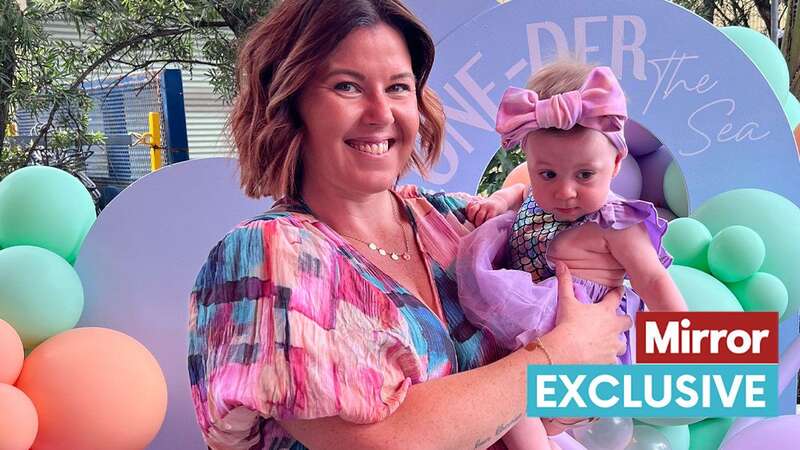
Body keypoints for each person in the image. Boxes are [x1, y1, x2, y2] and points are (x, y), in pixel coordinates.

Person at [187, 2, 631, 449]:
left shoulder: (462, 224)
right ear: (289, 103)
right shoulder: (267, 253)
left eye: (398, 87)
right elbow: (383, 442)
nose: (381, 113)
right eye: (347, 86)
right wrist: (554, 357)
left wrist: (581, 365)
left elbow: (575, 398)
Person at [459, 60, 688, 448]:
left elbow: (652, 278)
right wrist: (498, 201)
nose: (565, 192)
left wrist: (679, 333)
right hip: (531, 338)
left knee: (515, 402)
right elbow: (518, 193)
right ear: (529, 165)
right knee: (499, 394)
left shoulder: (616, 222)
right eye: (547, 174)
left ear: (616, 163)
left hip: (585, 354)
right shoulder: (533, 195)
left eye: (584, 175)